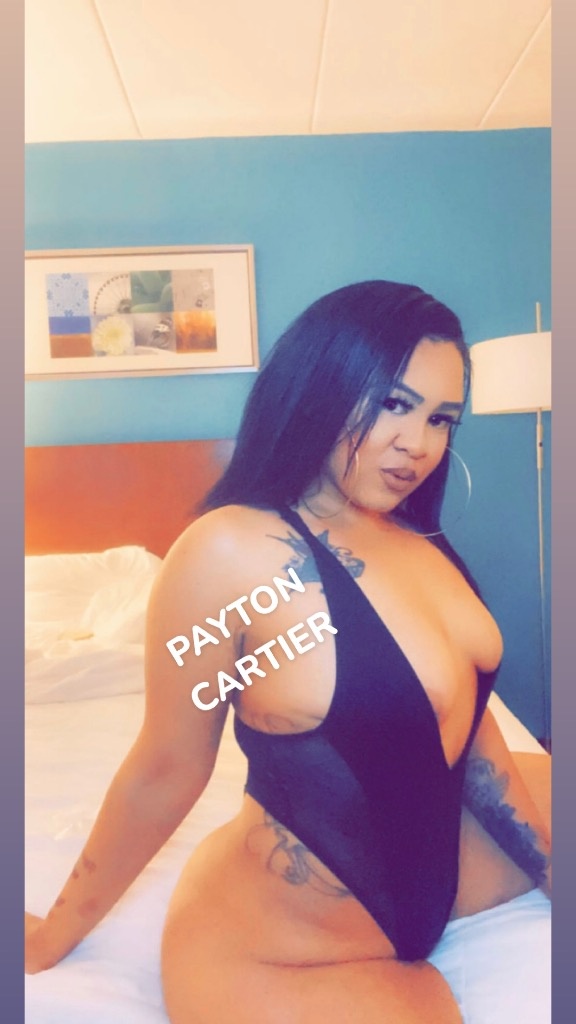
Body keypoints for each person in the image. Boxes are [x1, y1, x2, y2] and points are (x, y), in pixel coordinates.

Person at [25, 281, 551, 1024]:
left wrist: (548, 863)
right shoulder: (228, 552)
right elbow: (166, 767)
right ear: (320, 388)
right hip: (287, 945)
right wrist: (51, 935)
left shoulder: (413, 534)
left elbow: (463, 722)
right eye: (393, 404)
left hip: (446, 876)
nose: (419, 443)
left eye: (441, 418)